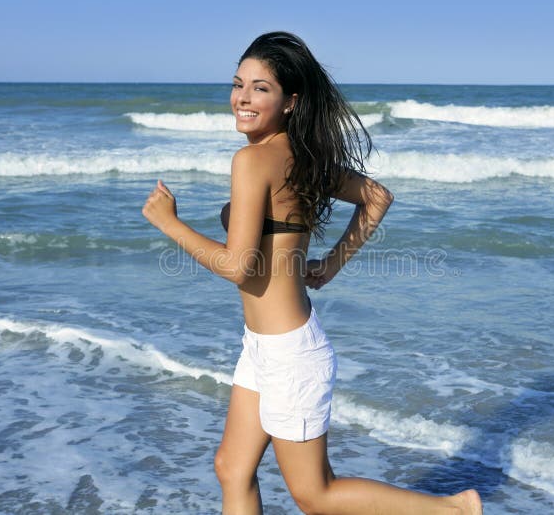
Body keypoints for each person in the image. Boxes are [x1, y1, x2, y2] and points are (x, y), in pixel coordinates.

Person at [142, 31, 482, 515]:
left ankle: (456, 510)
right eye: (239, 84)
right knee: (231, 468)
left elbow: (238, 267)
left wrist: (169, 223)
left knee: (314, 494)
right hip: (264, 346)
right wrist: (330, 267)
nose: (242, 97)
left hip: (288, 353)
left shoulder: (252, 160)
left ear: (290, 102)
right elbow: (377, 196)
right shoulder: (301, 156)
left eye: (261, 88)